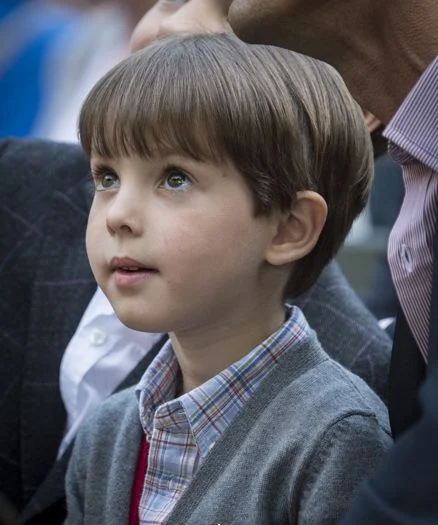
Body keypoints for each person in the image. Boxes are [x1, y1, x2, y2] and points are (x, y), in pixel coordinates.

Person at [0, 4, 392, 524]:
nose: (118, 214)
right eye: (107, 177)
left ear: (288, 227)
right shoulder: (109, 432)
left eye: (175, 179)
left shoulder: (337, 437)